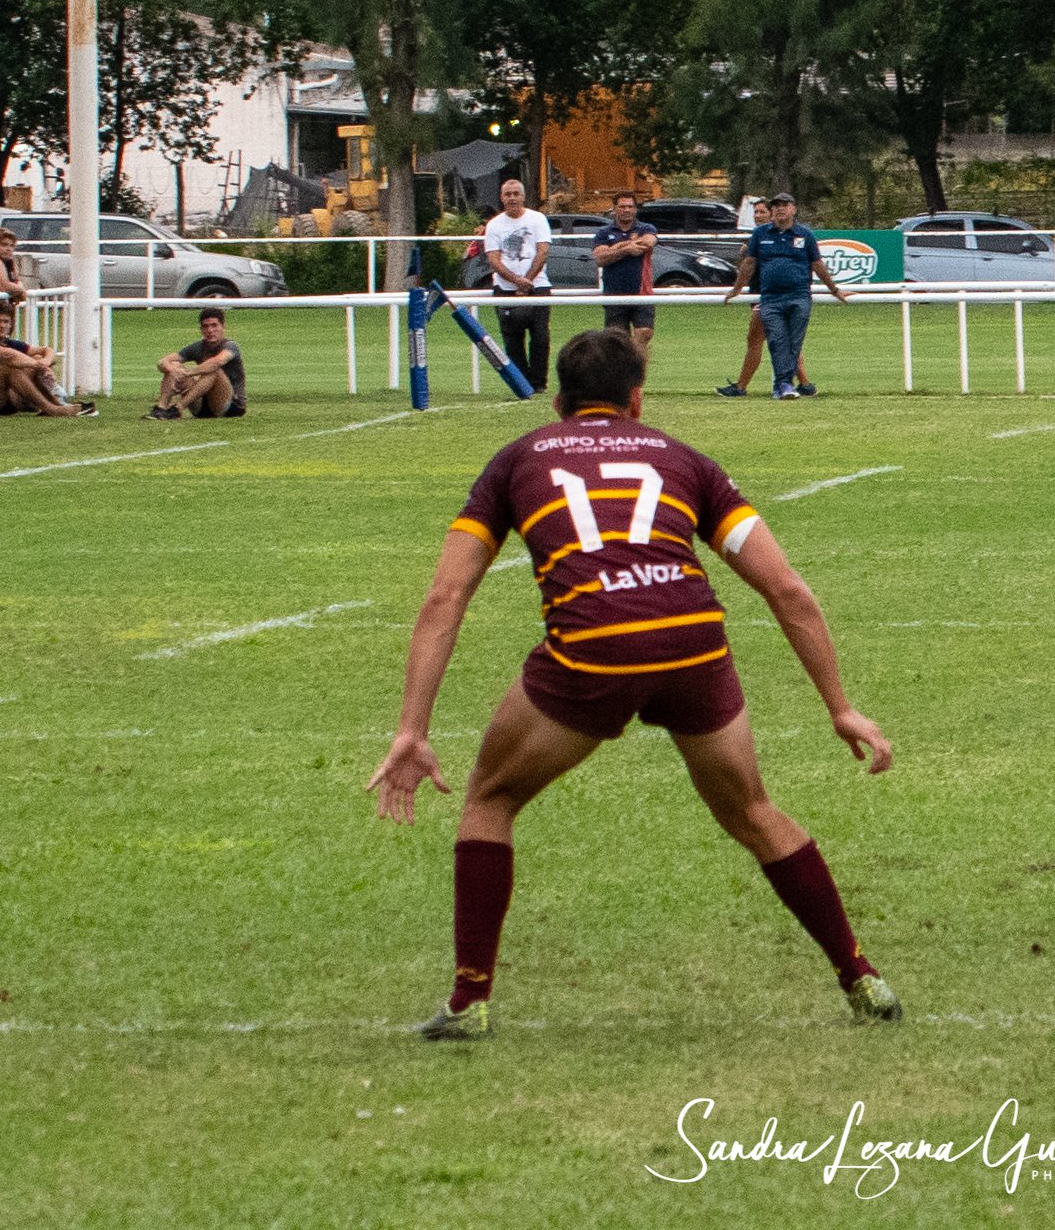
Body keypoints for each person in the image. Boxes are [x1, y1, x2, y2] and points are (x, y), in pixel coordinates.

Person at [366, 327, 904, 1039]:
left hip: (594, 649)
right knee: (752, 812)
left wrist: (413, 730)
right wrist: (841, 708)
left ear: (558, 401)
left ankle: (469, 1002)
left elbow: (446, 597)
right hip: (692, 644)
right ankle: (860, 975)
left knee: (490, 799)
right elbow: (788, 591)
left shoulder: (517, 460)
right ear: (638, 400)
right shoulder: (686, 461)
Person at [722, 193, 846, 400]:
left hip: (799, 297)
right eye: (776, 206)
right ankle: (787, 385)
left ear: (793, 209)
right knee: (778, 342)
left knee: (793, 343)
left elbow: (817, 264)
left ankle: (786, 385)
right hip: (771, 298)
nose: (780, 209)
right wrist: (736, 289)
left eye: (784, 205)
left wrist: (834, 290)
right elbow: (749, 263)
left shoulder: (805, 235)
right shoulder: (761, 234)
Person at [715, 198, 813, 398]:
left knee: (756, 340)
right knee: (785, 342)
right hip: (761, 294)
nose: (758, 216)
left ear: (772, 214)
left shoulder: (774, 236)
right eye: (755, 213)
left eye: (762, 212)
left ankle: (741, 386)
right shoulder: (759, 237)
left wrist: (737, 289)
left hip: (768, 297)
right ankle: (805, 384)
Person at [484, 178, 554, 392]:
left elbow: (542, 251)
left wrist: (528, 282)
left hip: (538, 286)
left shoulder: (538, 219)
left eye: (516, 193)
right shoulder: (494, 225)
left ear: (523, 196)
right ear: (502, 197)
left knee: (540, 337)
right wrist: (516, 281)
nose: (512, 198)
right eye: (508, 194)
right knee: (513, 340)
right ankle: (522, 384)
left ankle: (538, 384)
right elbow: (494, 259)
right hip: (505, 289)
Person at [0, 301, 88, 416]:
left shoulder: (10, 343)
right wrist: (38, 364)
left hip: (10, 397)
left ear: (11, 325)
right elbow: (9, 356)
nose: (2, 326)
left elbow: (47, 350)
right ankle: (51, 409)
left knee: (36, 357)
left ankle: (58, 404)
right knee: (9, 367)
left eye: (6, 322)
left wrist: (45, 362)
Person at [590, 190, 659, 354]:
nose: (626, 210)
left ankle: (636, 368)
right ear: (614, 208)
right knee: (617, 341)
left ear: (635, 209)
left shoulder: (645, 228)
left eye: (630, 206)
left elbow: (649, 241)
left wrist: (615, 248)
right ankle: (624, 370)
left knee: (644, 332)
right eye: (622, 206)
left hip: (642, 292)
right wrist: (626, 248)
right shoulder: (604, 233)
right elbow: (600, 258)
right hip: (615, 294)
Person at [145, 308, 246, 420]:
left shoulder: (231, 346)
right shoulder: (197, 347)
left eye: (214, 325)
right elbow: (162, 362)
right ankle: (161, 408)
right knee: (175, 365)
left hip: (230, 405)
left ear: (223, 327)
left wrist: (188, 373)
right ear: (201, 329)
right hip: (202, 406)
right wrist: (173, 370)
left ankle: (178, 408)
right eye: (206, 326)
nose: (210, 330)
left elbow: (218, 361)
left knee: (213, 369)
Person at [0, 228, 28, 305]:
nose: (9, 249)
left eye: (12, 245)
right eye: (4, 245)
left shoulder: (8, 261)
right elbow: (2, 286)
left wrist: (19, 289)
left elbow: (16, 281)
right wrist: (21, 291)